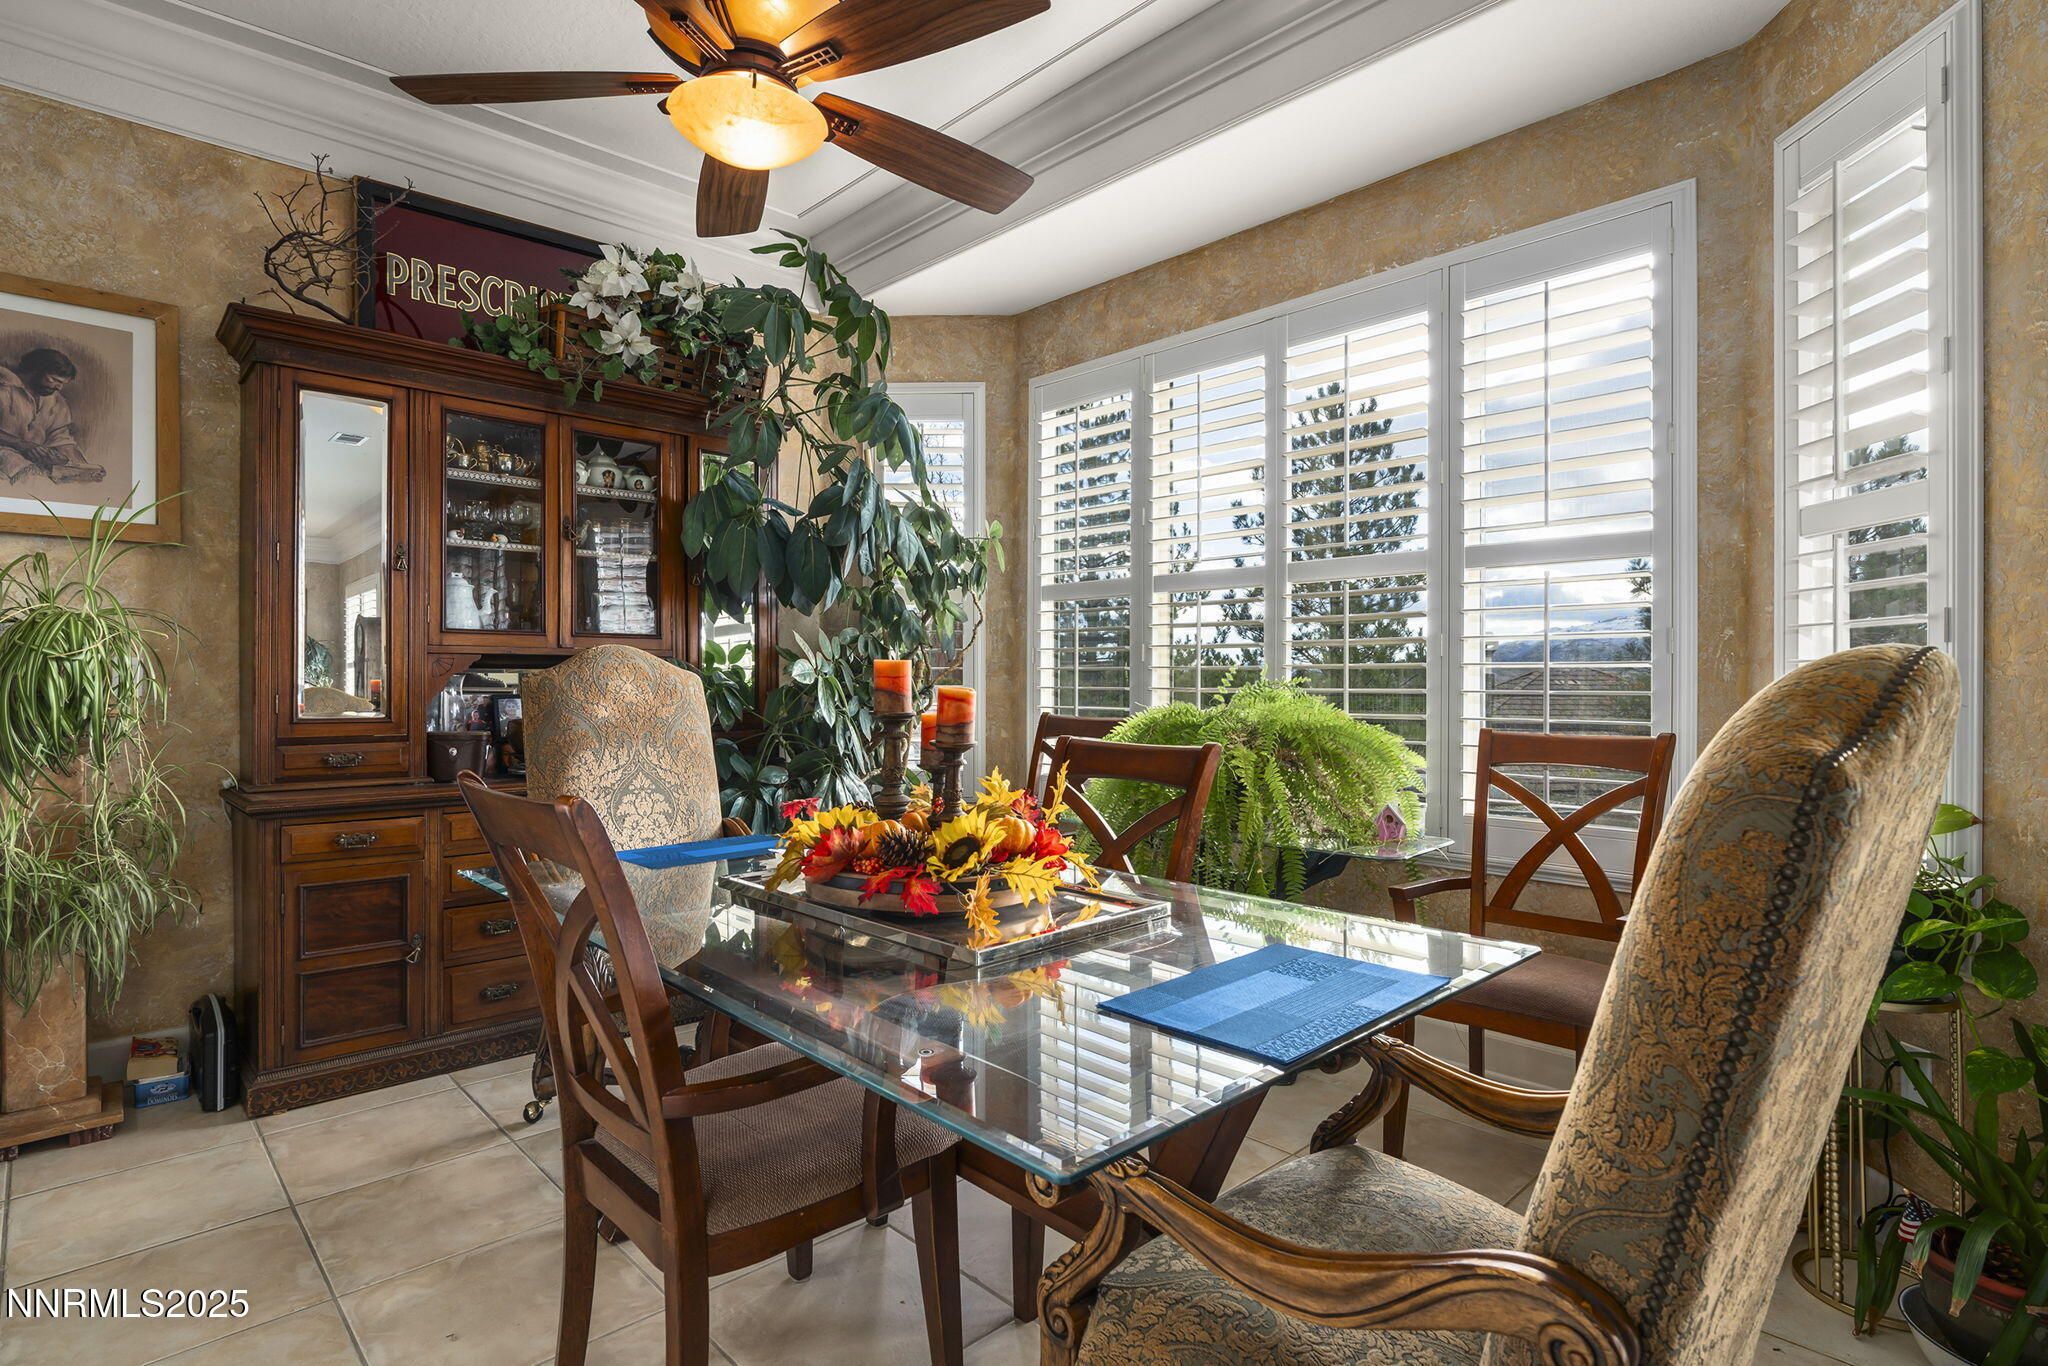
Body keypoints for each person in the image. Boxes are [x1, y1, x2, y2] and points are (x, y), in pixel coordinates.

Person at [0, 347, 105, 485]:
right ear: (36, 370)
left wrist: (84, 469)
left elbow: (61, 440)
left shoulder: (57, 402)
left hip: (35, 464)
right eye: (54, 379)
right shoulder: (4, 389)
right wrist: (21, 445)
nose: (59, 387)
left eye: (62, 383)